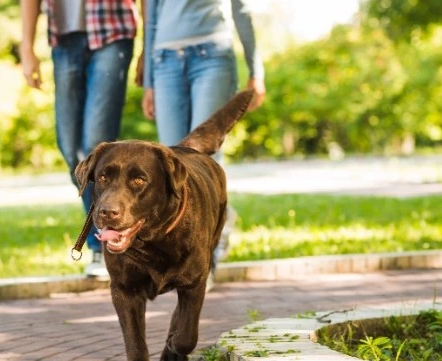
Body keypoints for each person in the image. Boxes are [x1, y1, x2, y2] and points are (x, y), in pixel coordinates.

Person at [138, 0, 266, 280]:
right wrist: (149, 82)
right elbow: (152, 17)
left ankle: (204, 258)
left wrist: (256, 70)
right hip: (165, 62)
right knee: (170, 166)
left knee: (203, 157)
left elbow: (241, 9)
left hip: (212, 56)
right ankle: (188, 247)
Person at [20, 0, 138, 278]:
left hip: (113, 31)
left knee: (96, 145)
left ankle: (105, 243)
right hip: (64, 38)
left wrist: (148, 48)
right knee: (71, 149)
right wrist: (26, 46)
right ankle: (116, 232)